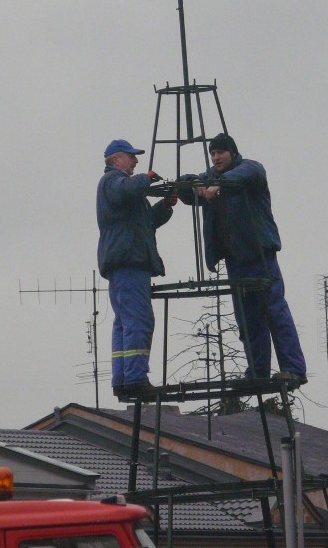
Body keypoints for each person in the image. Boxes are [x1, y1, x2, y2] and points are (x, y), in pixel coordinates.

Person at [178, 133, 307, 384]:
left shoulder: (249, 170)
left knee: (274, 312)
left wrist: (220, 185)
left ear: (233, 153)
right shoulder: (210, 176)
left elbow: (250, 172)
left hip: (259, 255)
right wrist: (195, 184)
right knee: (247, 320)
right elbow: (185, 185)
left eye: (220, 152)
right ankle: (256, 371)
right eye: (212, 153)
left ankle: (293, 368)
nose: (216, 157)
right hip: (234, 260)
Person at [97, 139, 176, 398]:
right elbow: (127, 189)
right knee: (138, 320)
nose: (136, 162)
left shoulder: (124, 190)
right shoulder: (112, 182)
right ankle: (135, 378)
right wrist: (148, 178)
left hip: (125, 263)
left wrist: (164, 207)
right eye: (132, 157)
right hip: (129, 263)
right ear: (116, 159)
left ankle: (123, 379)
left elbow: (146, 223)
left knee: (125, 323)